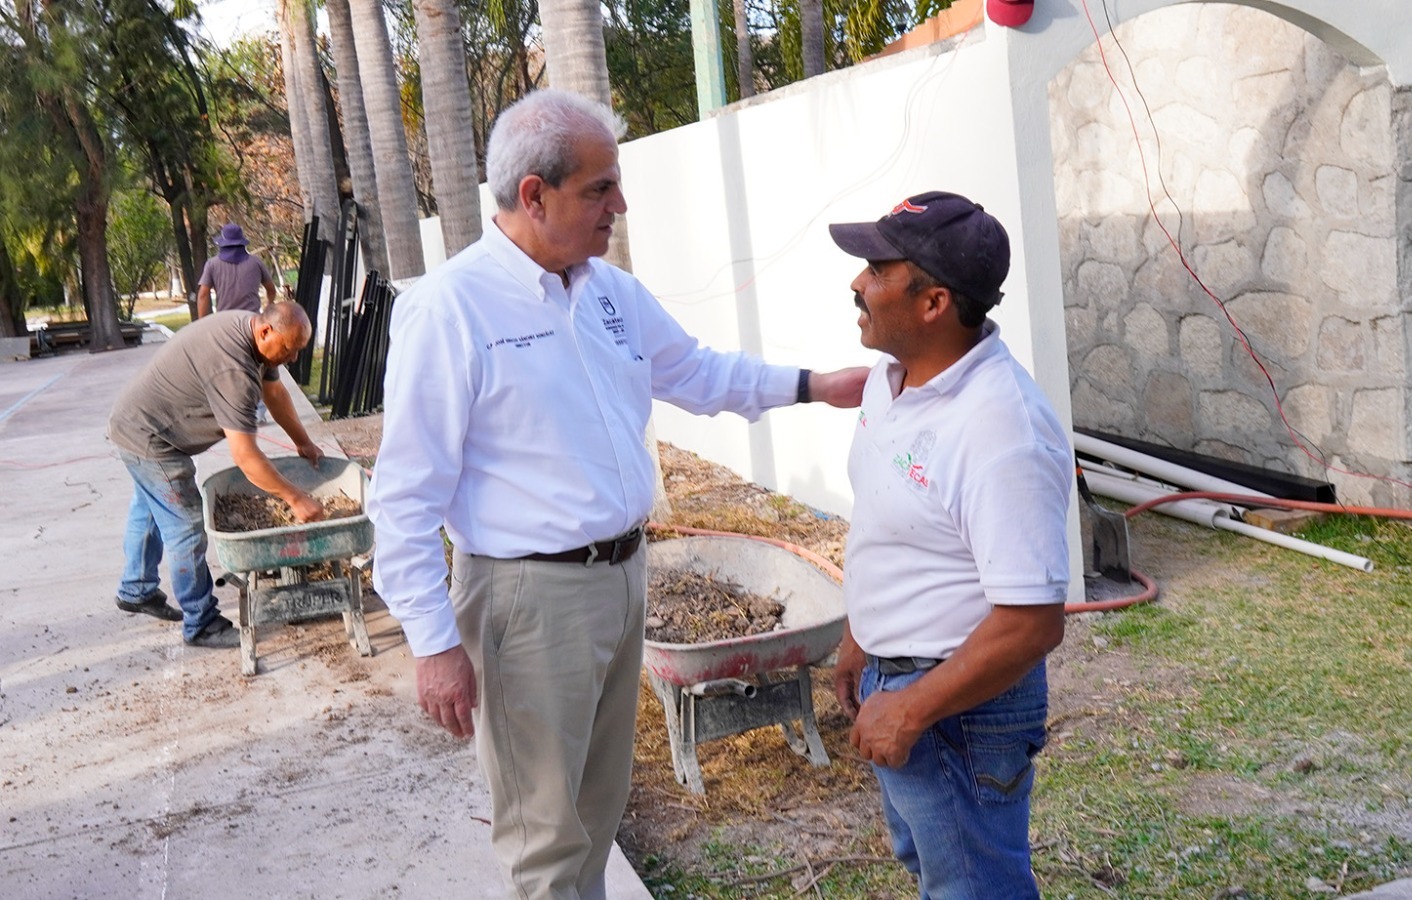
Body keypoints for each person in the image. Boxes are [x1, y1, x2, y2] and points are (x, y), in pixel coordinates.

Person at [367, 88, 867, 899]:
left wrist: (814, 385)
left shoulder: (605, 291)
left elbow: (700, 373)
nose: (620, 205)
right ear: (535, 194)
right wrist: (432, 644)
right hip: (528, 601)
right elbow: (404, 498)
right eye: (601, 187)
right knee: (545, 838)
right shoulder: (450, 310)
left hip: (622, 580)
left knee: (596, 814)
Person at [827, 191, 1071, 898]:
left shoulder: (999, 430)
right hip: (899, 678)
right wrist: (861, 634)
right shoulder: (892, 381)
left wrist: (911, 706)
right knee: (937, 869)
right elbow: (892, 525)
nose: (856, 283)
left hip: (958, 708)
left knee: (974, 888)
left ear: (933, 303)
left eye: (876, 269)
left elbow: (1031, 624)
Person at [107, 301, 327, 648]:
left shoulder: (253, 333)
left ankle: (136, 589)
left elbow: (275, 392)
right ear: (266, 331)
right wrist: (295, 497)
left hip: (139, 422)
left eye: (299, 350)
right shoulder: (234, 370)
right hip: (150, 436)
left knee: (150, 508)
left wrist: (304, 442)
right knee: (186, 527)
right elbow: (245, 455)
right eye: (289, 349)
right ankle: (202, 623)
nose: (293, 358)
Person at [196, 223, 277, 318]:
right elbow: (271, 289)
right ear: (242, 243)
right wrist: (268, 306)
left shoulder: (212, 264)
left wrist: (201, 321)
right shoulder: (256, 262)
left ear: (222, 244)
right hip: (252, 320)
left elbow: (203, 294)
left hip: (224, 320)